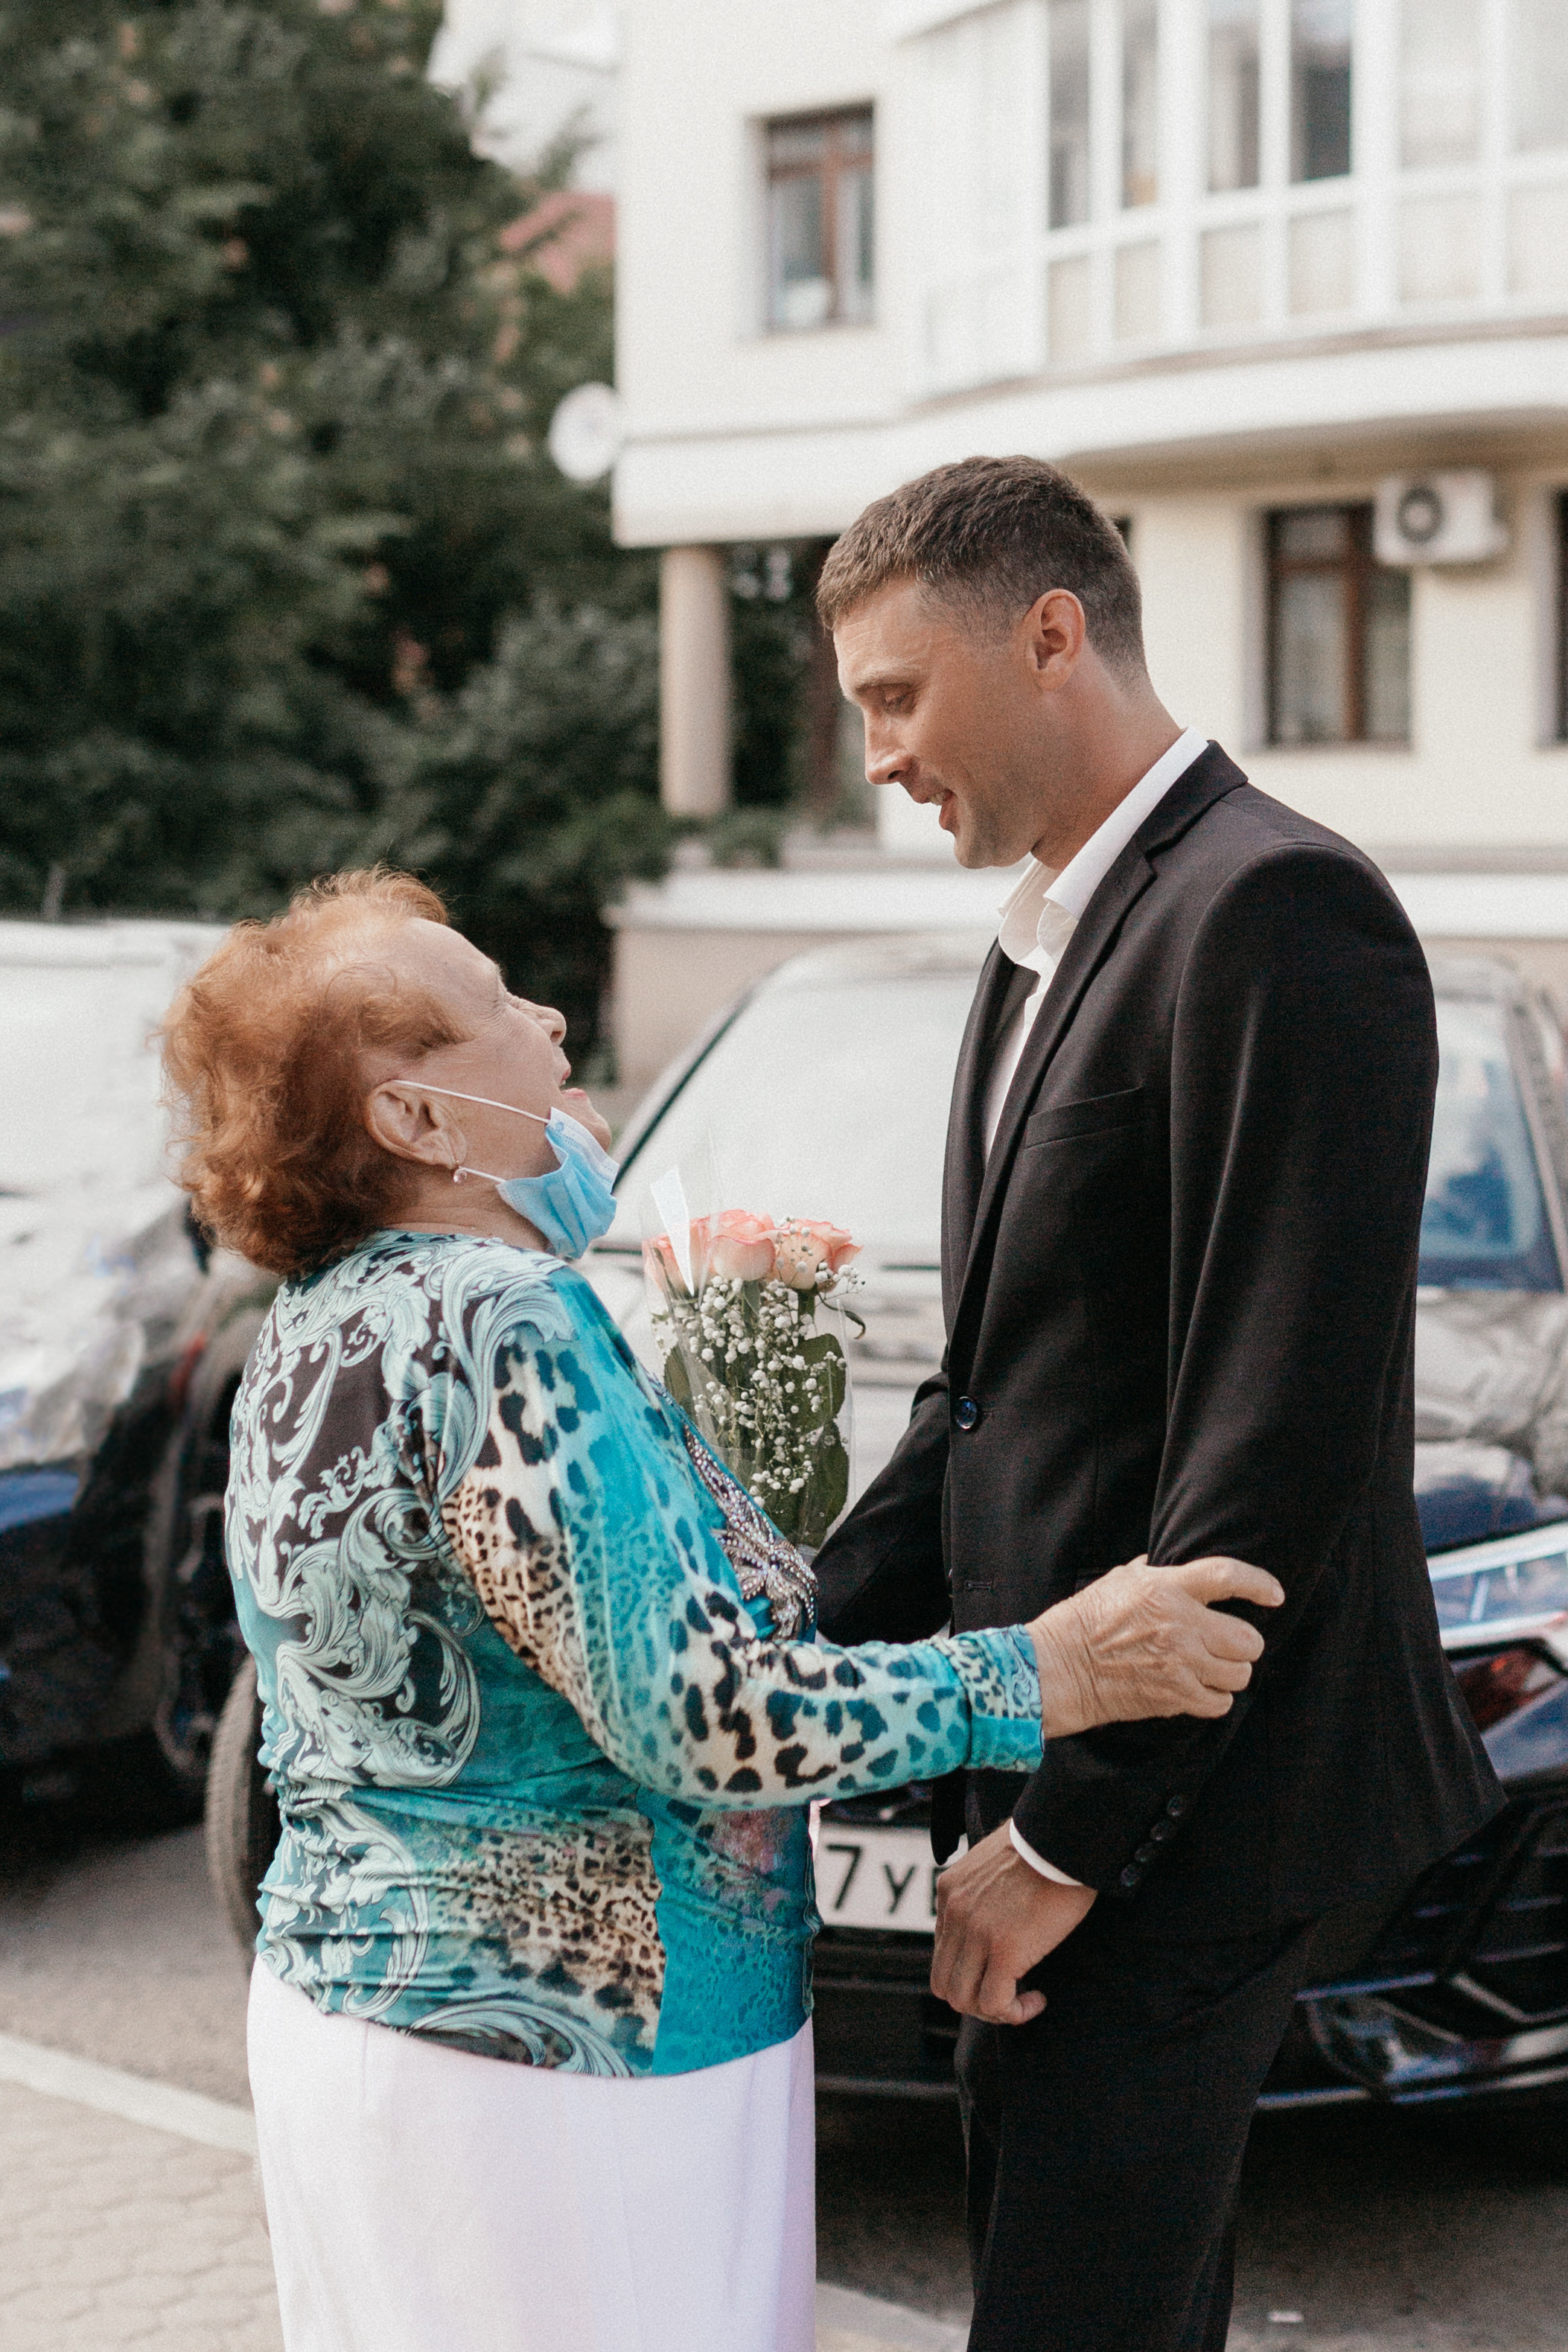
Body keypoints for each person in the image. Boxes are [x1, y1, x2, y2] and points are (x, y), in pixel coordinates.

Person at [158, 868, 1280, 2352]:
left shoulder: (319, 1316)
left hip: (371, 2025)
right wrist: (1051, 1667)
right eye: (496, 1005)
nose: (552, 1022)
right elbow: (706, 1716)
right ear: (417, 1122)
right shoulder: (506, 1320)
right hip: (573, 2069)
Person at [810, 455, 1505, 2352]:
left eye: (894, 693)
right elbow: (989, 1393)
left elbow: (1269, 1434)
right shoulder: (1041, 935)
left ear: (1050, 635)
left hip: (1174, 1817)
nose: (874, 752)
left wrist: (1064, 1843)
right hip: (1039, 1753)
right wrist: (779, 1654)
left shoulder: (1279, 907)